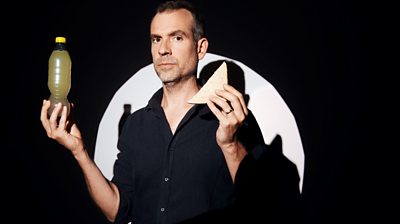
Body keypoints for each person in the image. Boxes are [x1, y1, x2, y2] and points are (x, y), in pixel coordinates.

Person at [40, 0, 265, 223]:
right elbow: (117, 210)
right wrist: (80, 152)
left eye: (177, 38)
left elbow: (259, 204)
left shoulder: (232, 119)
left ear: (200, 47)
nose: (163, 49)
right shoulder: (136, 124)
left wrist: (230, 145)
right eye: (156, 39)